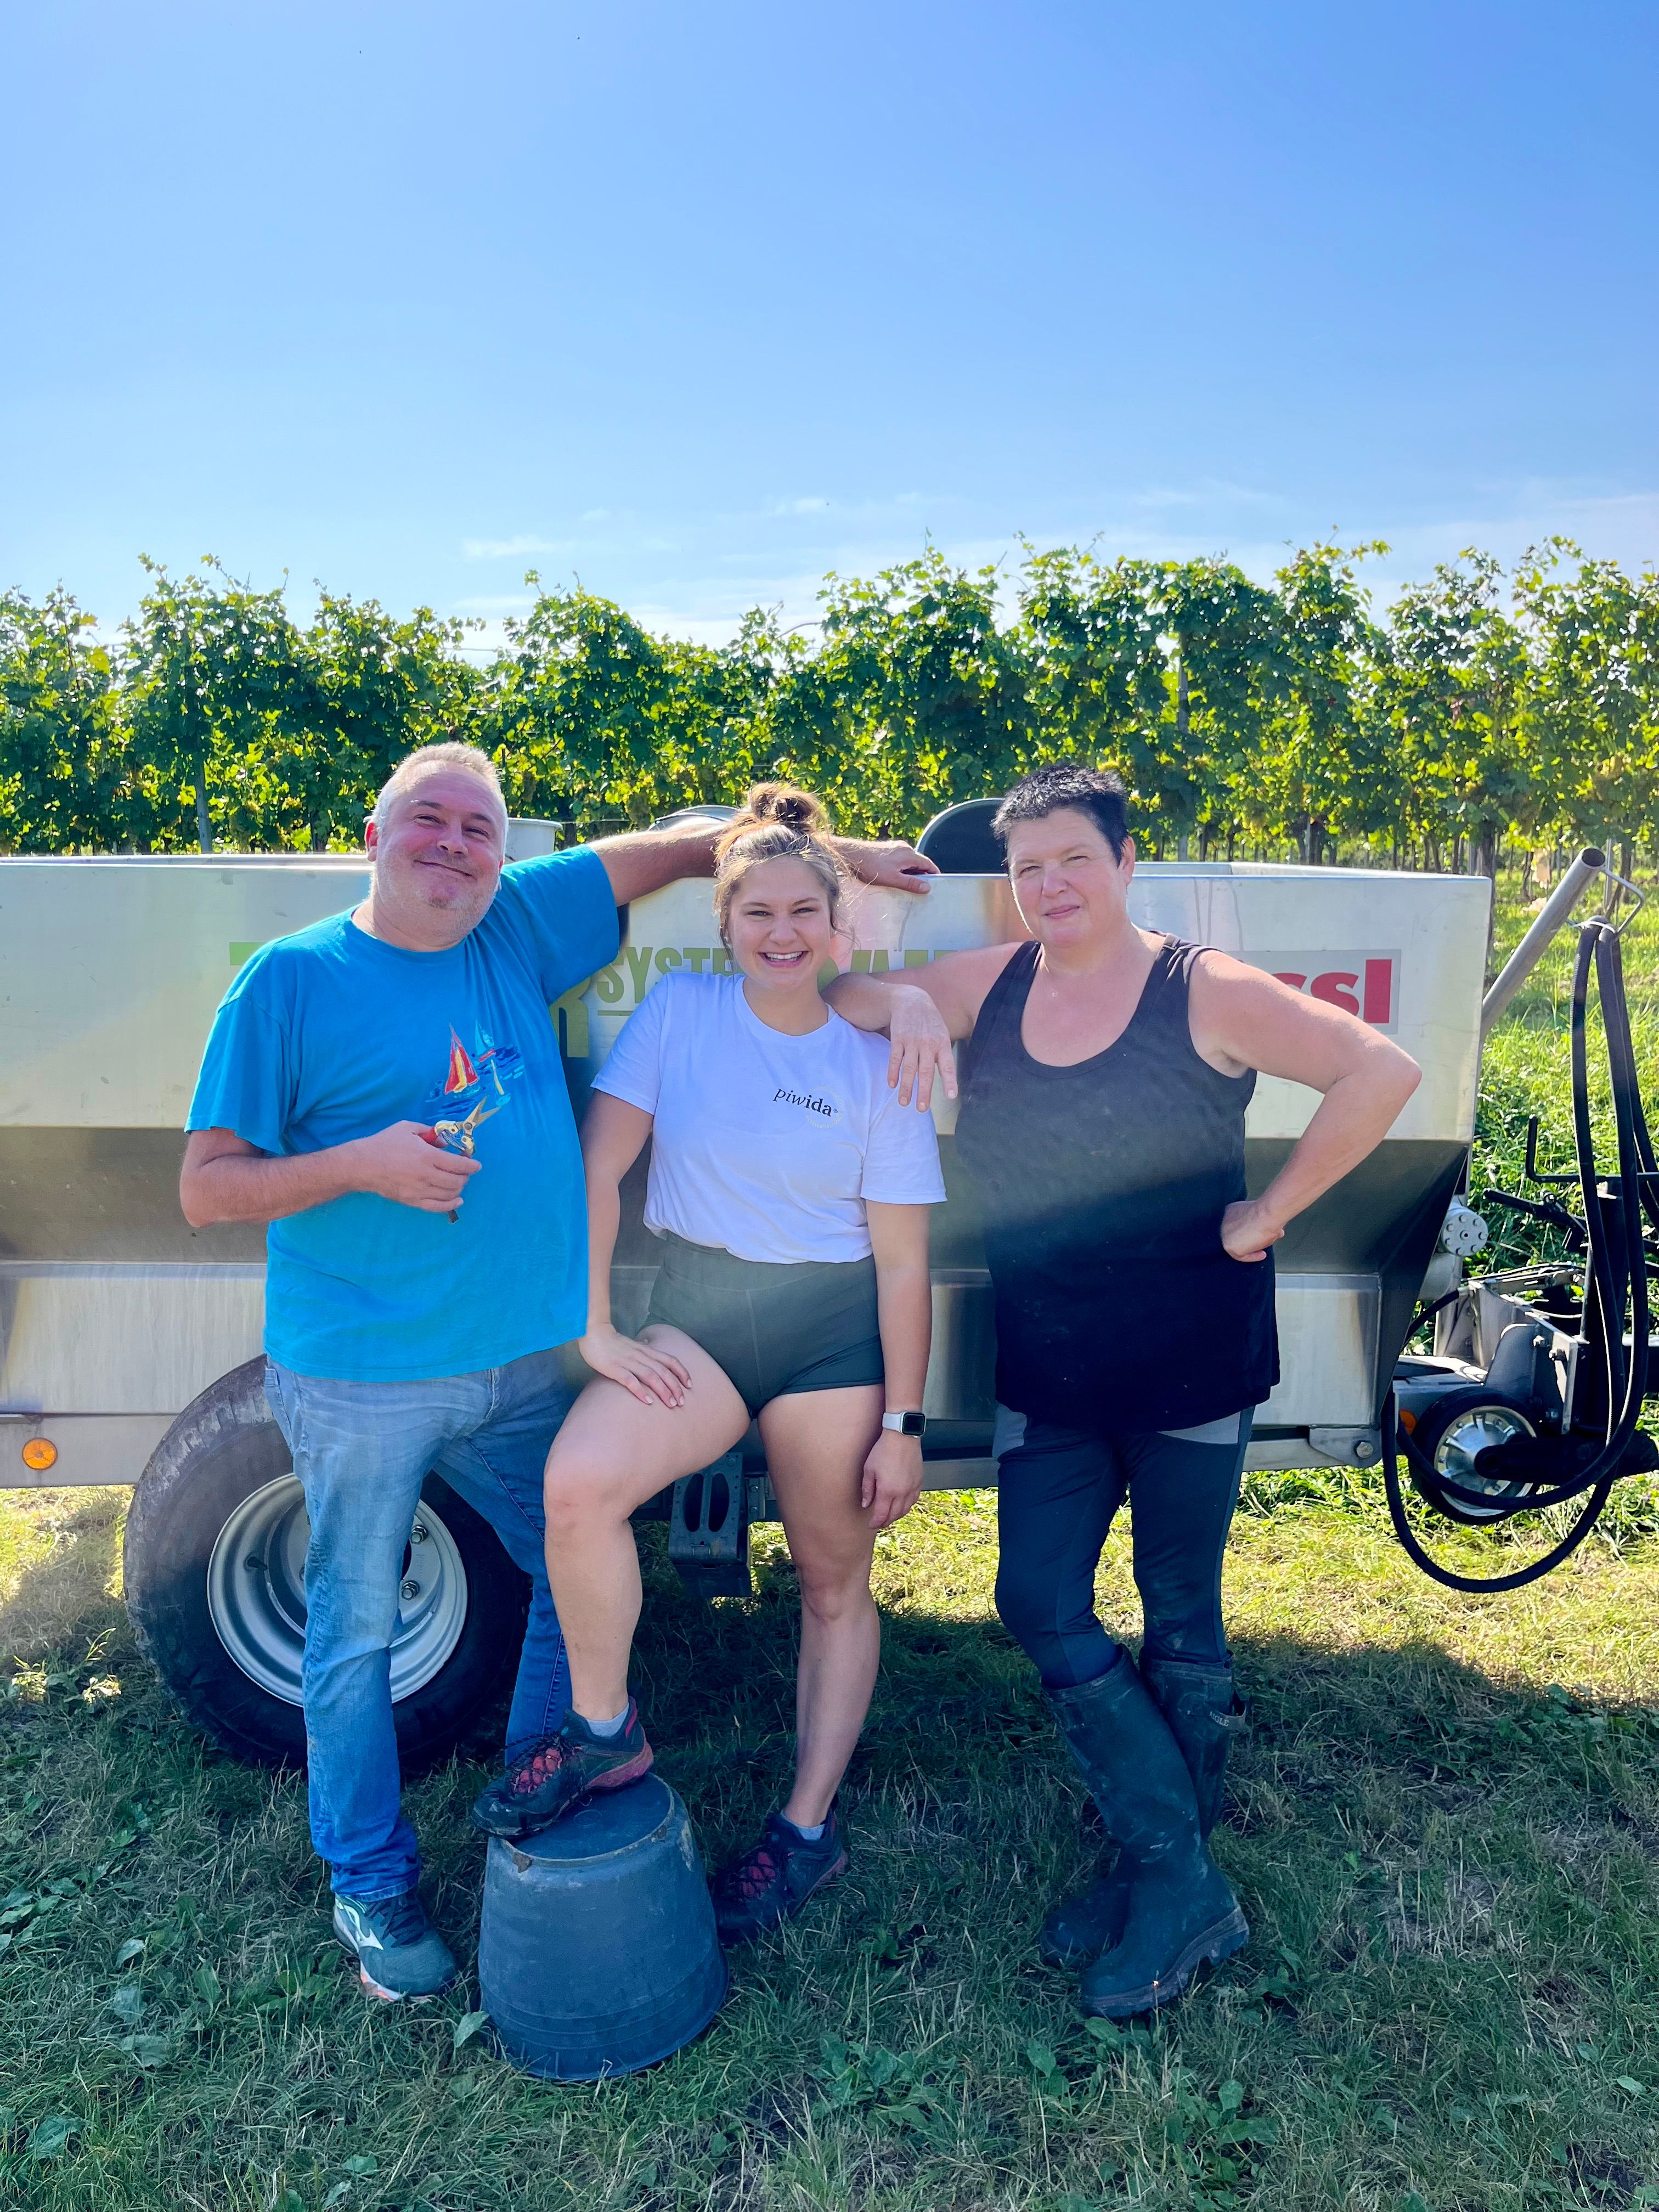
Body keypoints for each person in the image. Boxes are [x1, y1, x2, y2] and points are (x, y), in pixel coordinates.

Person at [179, 744, 935, 2001]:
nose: (454, 845)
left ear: (503, 852)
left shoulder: (514, 925)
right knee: (353, 1631)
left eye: (479, 828)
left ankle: (562, 1764)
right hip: (367, 1373)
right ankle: (369, 1880)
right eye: (428, 819)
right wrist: (361, 1163)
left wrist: (839, 863)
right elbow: (207, 1188)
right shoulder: (290, 980)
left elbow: (693, 845)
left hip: (520, 1367)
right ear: (373, 834)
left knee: (566, 1561)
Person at [826, 764, 1421, 2017]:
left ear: (1126, 862)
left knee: (1179, 1611)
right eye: (1029, 868)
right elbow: (842, 996)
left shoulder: (1202, 989)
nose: (1052, 886)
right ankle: (1179, 1870)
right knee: (1036, 1598)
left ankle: (1166, 1879)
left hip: (1190, 1365)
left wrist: (1269, 1211)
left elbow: (1380, 1070)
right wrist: (908, 999)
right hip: (1052, 1369)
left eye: (1074, 861)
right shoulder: (998, 982)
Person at [469, 785, 947, 1943]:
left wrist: (905, 1425)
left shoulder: (878, 1056)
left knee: (831, 1583)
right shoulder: (680, 1010)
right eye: (757, 913)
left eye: (803, 912)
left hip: (832, 1335)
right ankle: (602, 1731)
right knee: (578, 1486)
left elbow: (901, 1266)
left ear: (836, 927)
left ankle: (805, 1830)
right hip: (701, 1317)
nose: (781, 933)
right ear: (724, 923)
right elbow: (598, 1168)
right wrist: (595, 1330)